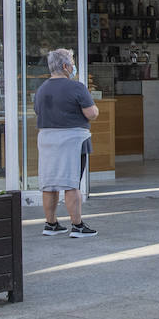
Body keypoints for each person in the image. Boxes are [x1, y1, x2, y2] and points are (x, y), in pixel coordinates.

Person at [35, 49, 100, 238]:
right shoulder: (77, 87)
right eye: (72, 63)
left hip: (46, 140)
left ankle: (51, 223)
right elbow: (92, 113)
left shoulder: (42, 89)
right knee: (71, 183)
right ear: (65, 66)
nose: (73, 67)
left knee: (50, 183)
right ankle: (77, 226)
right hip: (72, 140)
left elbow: (39, 112)